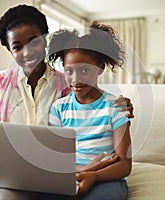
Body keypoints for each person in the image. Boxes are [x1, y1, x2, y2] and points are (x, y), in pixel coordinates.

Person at [0, 5, 133, 200]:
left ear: (46, 40)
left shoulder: (66, 85)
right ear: (10, 50)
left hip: (27, 176)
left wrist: (120, 105)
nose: (27, 52)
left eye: (34, 42)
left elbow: (88, 101)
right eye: (17, 46)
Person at [48, 21, 132, 199]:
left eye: (85, 70)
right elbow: (57, 159)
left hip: (106, 179)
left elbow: (124, 165)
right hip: (70, 176)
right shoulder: (58, 108)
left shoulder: (116, 106)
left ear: (100, 67)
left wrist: (94, 175)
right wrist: (84, 170)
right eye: (69, 71)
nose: (76, 79)